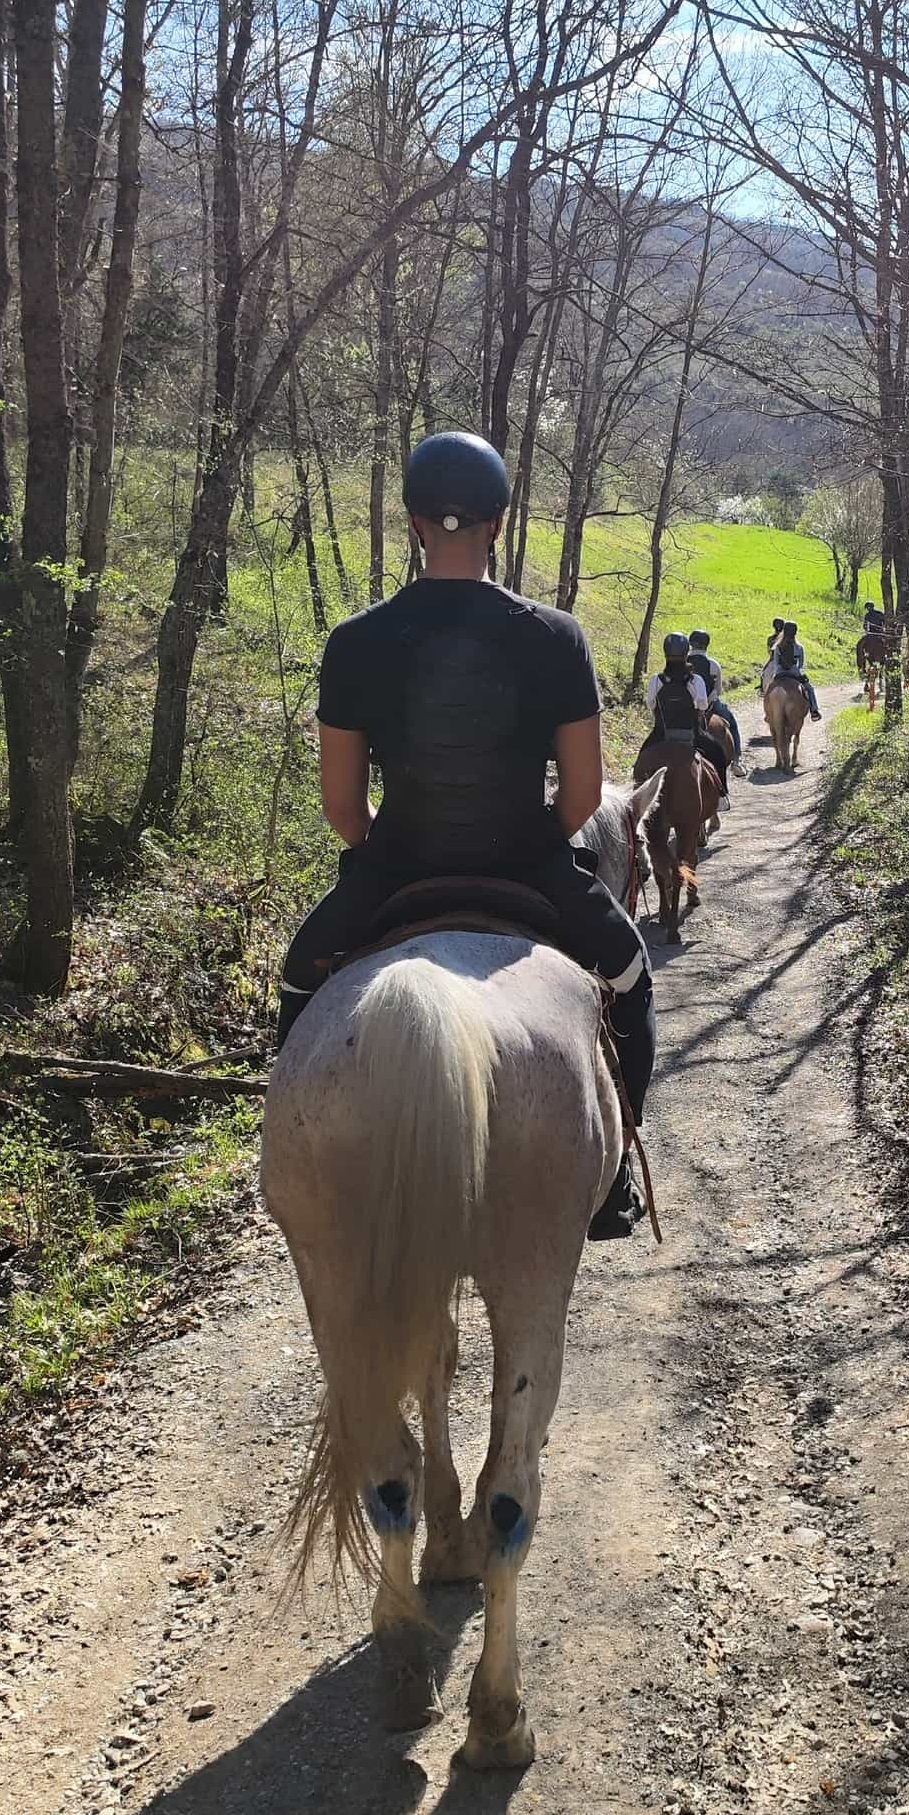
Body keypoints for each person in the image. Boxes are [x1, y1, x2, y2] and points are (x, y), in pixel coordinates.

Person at [275, 429, 653, 1241]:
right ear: (498, 523)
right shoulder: (556, 636)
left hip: (397, 865)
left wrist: (390, 847)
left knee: (299, 984)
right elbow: (585, 792)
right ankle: (617, 1179)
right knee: (630, 977)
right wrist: (533, 841)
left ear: (414, 523)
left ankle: (293, 1161)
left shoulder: (355, 642)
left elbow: (343, 811)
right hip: (530, 859)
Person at [645, 630, 731, 795]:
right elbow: (703, 706)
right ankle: (722, 795)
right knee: (719, 754)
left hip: (662, 734)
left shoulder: (656, 679)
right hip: (692, 735)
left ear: (665, 653)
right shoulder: (695, 680)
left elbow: (651, 704)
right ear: (686, 653)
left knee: (641, 760)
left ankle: (637, 796)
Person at [687, 628, 742, 760]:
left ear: (690, 644)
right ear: (707, 645)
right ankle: (737, 760)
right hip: (710, 705)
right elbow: (718, 691)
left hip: (685, 706)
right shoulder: (713, 664)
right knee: (732, 724)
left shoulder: (682, 662)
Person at [770, 618, 821, 718]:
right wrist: (798, 673)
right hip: (794, 672)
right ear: (795, 632)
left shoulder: (778, 647)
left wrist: (776, 674)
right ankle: (814, 710)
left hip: (780, 672)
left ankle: (768, 713)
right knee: (810, 689)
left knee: (769, 690)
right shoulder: (799, 647)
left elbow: (776, 664)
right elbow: (801, 665)